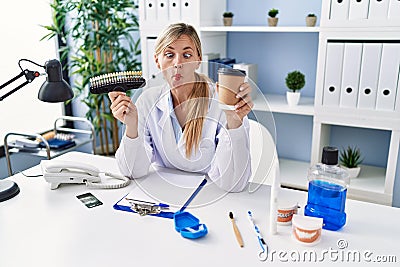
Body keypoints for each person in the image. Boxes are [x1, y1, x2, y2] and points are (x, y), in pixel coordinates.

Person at [109, 23, 254, 192]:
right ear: (157, 60)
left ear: (198, 60)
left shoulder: (221, 102)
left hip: (208, 195)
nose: (178, 63)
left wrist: (234, 122)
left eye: (186, 55)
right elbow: (133, 172)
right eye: (169, 55)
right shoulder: (148, 100)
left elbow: (234, 184)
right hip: (163, 192)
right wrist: (132, 127)